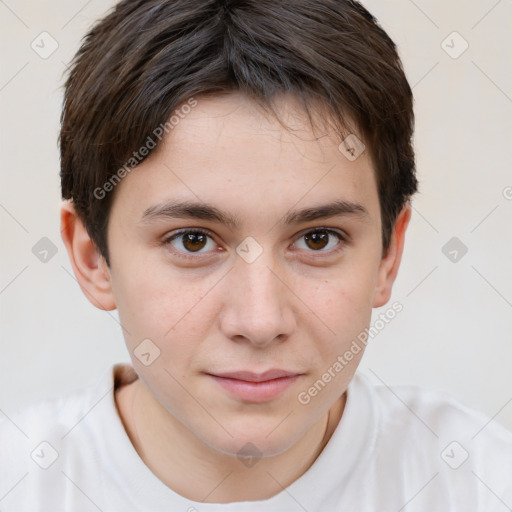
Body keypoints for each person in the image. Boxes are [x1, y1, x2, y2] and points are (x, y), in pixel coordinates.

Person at [1, 0, 511, 510]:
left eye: (318, 239)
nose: (261, 321)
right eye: (193, 241)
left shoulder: (480, 480)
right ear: (94, 258)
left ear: (387, 255)